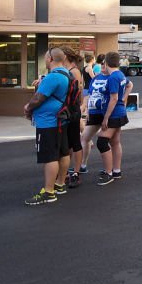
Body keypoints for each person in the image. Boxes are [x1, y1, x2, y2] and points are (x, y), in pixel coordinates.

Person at [23, 48, 74, 205]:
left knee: (50, 156)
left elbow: (39, 98)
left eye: (45, 57)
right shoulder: (67, 74)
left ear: (50, 58)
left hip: (48, 122)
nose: (45, 60)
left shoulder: (53, 77)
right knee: (63, 152)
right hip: (60, 120)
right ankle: (60, 184)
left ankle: (49, 191)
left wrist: (28, 108)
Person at [90, 52, 131, 185]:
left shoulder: (113, 77)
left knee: (102, 142)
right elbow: (128, 87)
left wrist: (105, 118)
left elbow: (113, 98)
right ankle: (116, 170)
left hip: (114, 114)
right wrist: (123, 99)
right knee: (114, 142)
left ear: (106, 63)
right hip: (119, 112)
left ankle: (109, 173)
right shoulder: (120, 74)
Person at [61, 46, 87, 188]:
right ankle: (65, 172)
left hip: (72, 110)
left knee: (75, 142)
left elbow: (76, 92)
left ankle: (76, 173)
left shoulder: (74, 72)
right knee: (67, 143)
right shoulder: (68, 71)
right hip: (68, 110)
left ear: (65, 57)